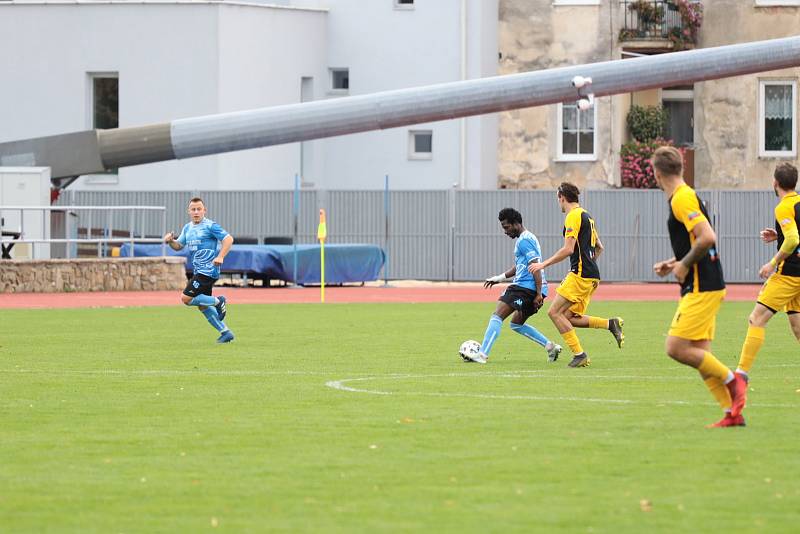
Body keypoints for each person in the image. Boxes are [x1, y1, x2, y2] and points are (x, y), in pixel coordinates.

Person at [650, 146, 746, 428]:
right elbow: (695, 241)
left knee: (676, 347)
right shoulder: (684, 196)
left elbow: (707, 237)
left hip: (702, 284)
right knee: (701, 355)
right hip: (705, 281)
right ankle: (732, 413)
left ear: (657, 174)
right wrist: (674, 262)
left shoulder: (681, 198)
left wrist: (682, 266)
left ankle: (734, 379)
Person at [528, 183, 624, 368]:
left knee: (554, 312)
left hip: (581, 275)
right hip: (591, 276)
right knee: (568, 316)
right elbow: (599, 247)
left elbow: (568, 249)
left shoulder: (572, 216)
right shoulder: (587, 216)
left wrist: (543, 264)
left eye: (558, 198)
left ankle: (579, 355)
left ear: (562, 197)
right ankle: (610, 324)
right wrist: (588, 266)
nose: (558, 202)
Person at [464, 208, 561, 364]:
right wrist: (500, 278)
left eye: (506, 227)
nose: (505, 231)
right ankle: (550, 346)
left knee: (497, 315)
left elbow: (535, 266)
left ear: (516, 224)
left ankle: (482, 355)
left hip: (525, 288)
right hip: (534, 289)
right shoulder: (527, 238)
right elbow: (520, 266)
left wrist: (537, 293)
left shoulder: (524, 241)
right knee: (516, 324)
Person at [736, 163, 800, 383]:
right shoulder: (798, 204)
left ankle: (740, 374)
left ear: (775, 183)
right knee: (798, 327)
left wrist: (772, 263)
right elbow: (792, 235)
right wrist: (779, 236)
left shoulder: (783, 207)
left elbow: (793, 239)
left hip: (789, 275)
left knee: (756, 319)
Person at [164, 197, 235, 343]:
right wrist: (171, 241)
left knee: (186, 298)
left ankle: (218, 301)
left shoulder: (210, 226)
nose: (196, 212)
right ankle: (225, 332)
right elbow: (179, 246)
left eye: (199, 209)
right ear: (188, 211)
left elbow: (228, 239)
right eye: (193, 209)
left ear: (204, 210)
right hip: (199, 271)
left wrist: (221, 256)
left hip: (209, 270)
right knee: (202, 305)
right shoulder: (187, 228)